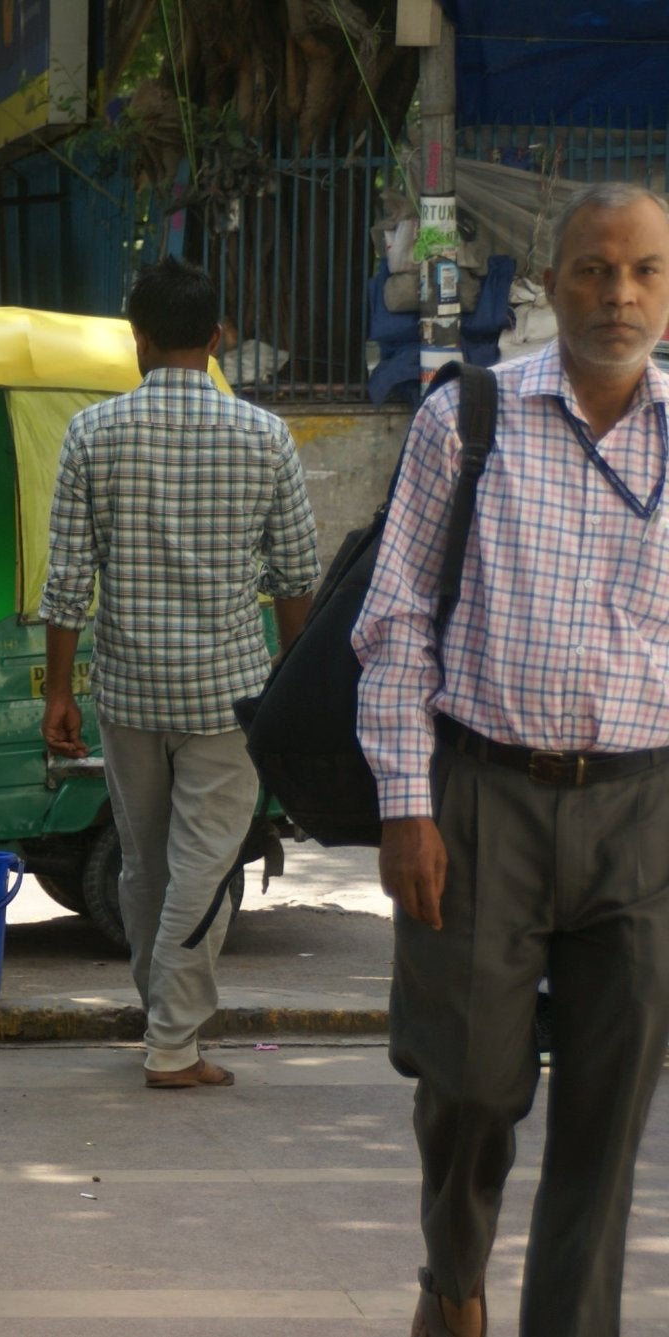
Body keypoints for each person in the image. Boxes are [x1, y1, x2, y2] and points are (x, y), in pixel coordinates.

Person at [354, 181, 669, 1337]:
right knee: (472, 1082)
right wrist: (403, 801)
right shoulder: (466, 417)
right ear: (547, 281)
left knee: (609, 1105)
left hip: (641, 811)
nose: (617, 292)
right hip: (481, 799)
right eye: (592, 267)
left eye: (641, 269)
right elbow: (393, 622)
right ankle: (452, 1275)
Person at [39, 258, 318, 1091]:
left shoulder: (93, 433)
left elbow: (66, 580)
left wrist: (59, 691)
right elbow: (296, 576)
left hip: (127, 692)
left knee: (145, 865)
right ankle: (171, 1042)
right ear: (219, 338)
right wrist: (291, 677)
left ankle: (164, 1021)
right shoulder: (266, 436)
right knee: (203, 863)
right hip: (228, 693)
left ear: (141, 341)